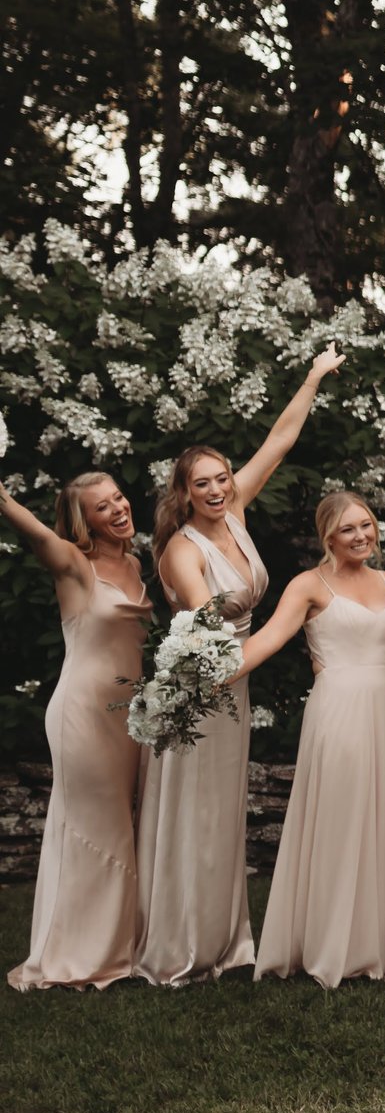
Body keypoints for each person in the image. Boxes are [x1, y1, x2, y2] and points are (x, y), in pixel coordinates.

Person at [137, 344, 345, 985]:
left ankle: (227, 940)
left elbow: (279, 441)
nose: (217, 489)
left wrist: (313, 376)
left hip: (238, 679)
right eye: (202, 483)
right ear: (184, 492)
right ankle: (183, 945)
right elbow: (206, 634)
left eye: (222, 478)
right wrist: (280, 631)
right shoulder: (182, 551)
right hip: (203, 684)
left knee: (223, 809)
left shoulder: (235, 511)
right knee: (195, 810)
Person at [239, 492, 385, 987]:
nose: (361, 536)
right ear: (328, 537)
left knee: (381, 819)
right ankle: (327, 943)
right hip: (338, 710)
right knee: (341, 817)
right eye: (348, 529)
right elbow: (270, 638)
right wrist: (215, 671)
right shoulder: (309, 585)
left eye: (366, 525)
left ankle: (376, 943)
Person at [4, 471, 149, 990]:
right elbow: (33, 530)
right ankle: (77, 956)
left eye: (118, 498)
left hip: (127, 716)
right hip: (82, 713)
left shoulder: (135, 564)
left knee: (121, 825)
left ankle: (117, 946)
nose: (118, 509)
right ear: (83, 522)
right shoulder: (72, 563)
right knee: (93, 827)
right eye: (102, 507)